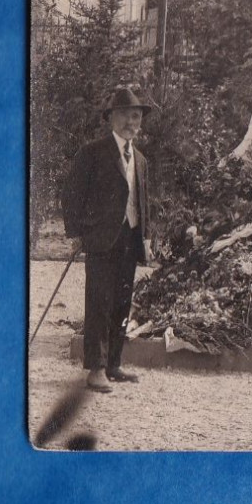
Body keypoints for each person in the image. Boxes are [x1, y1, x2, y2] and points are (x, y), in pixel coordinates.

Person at [62, 86, 152, 392]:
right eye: (126, 115)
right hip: (101, 239)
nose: (131, 122)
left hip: (130, 238)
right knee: (99, 302)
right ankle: (96, 369)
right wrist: (76, 233)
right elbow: (72, 195)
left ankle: (113, 363)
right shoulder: (93, 153)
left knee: (121, 303)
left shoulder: (139, 159)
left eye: (136, 116)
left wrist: (147, 236)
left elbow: (143, 201)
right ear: (111, 118)